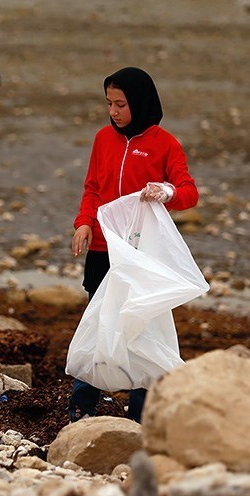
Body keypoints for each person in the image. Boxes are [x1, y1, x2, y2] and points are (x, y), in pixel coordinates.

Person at [69, 67, 199, 424]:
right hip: (102, 250)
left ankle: (140, 417)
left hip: (143, 255)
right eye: (109, 103)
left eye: (121, 104)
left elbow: (189, 192)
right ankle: (81, 411)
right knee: (99, 323)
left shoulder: (165, 143)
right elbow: (92, 188)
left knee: (142, 327)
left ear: (140, 103)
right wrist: (84, 222)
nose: (113, 111)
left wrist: (166, 191)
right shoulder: (102, 139)